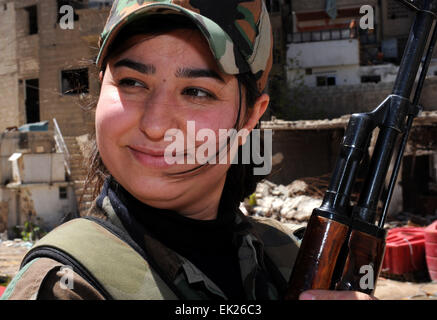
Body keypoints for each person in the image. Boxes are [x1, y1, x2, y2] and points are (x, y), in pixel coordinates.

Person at [1, 0, 375, 301]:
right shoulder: (65, 284)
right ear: (101, 90)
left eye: (197, 92)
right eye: (131, 82)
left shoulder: (285, 257)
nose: (156, 124)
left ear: (251, 117)